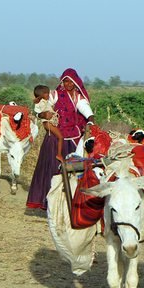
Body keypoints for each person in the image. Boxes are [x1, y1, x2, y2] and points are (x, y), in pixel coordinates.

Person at [26, 69, 94, 210]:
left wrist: (90, 121)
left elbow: (86, 110)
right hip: (55, 137)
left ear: (76, 83)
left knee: (73, 170)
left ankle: (70, 201)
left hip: (73, 137)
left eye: (71, 82)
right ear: (62, 82)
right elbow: (41, 109)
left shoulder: (78, 98)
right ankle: (49, 202)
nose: (68, 84)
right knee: (52, 169)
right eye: (66, 81)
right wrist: (44, 115)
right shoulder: (55, 95)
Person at [33, 84, 65, 163]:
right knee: (61, 137)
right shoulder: (41, 103)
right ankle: (59, 154)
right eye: (48, 94)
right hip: (48, 123)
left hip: (48, 124)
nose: (50, 95)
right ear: (43, 95)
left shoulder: (45, 102)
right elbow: (37, 110)